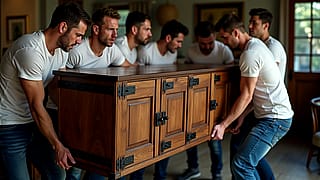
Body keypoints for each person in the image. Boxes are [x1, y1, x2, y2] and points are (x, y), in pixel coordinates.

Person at [0, 2, 90, 180]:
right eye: (78, 35)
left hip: (33, 123)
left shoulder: (63, 51)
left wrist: (77, 116)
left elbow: (56, 89)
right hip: (9, 125)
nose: (80, 41)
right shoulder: (30, 50)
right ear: (63, 27)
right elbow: (36, 105)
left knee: (57, 174)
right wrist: (57, 145)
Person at [211, 13, 293, 180]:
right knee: (248, 158)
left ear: (235, 33)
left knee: (242, 164)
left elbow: (247, 94)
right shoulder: (257, 46)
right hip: (275, 117)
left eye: (225, 38)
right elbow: (256, 93)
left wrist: (223, 124)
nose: (224, 43)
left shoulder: (250, 53)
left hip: (275, 119)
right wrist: (241, 117)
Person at [65, 7, 131, 180]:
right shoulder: (77, 52)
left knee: (106, 159)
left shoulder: (112, 50)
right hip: (71, 115)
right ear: (95, 29)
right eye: (110, 29)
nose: (115, 34)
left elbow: (130, 70)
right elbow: (58, 85)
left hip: (98, 115)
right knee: (75, 167)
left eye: (116, 30)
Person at [229, 8, 288, 180]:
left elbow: (263, 85)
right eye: (250, 22)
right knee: (247, 155)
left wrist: (241, 113)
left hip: (267, 108)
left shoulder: (272, 47)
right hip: (258, 107)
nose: (250, 26)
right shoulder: (256, 45)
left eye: (254, 22)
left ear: (266, 25)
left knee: (243, 156)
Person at [178, 21, 234, 180]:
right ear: (197, 39)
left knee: (214, 142)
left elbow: (230, 80)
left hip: (215, 103)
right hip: (194, 102)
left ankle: (217, 174)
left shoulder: (225, 51)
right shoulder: (191, 51)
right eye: (203, 44)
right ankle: (193, 168)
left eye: (210, 43)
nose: (207, 47)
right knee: (190, 138)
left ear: (214, 37)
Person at [137, 19, 189, 180]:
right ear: (168, 38)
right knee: (143, 146)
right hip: (146, 105)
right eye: (178, 41)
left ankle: (160, 176)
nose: (180, 45)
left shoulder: (172, 54)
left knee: (165, 142)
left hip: (166, 104)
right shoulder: (146, 52)